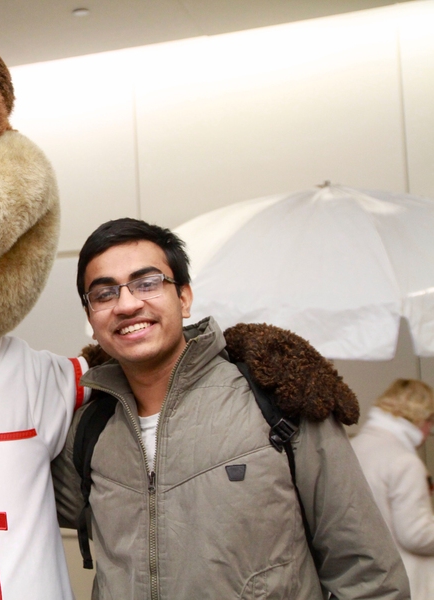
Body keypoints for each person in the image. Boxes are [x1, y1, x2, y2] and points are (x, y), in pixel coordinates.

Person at [51, 217, 409, 599]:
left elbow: (367, 573)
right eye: (104, 294)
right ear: (91, 316)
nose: (127, 304)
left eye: (147, 283)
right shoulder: (88, 428)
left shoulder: (275, 399)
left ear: (184, 297)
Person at [352, 379, 434, 599]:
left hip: (363, 579)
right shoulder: (405, 461)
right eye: (430, 420)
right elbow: (416, 535)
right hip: (407, 582)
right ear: (419, 417)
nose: (430, 430)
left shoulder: (354, 447)